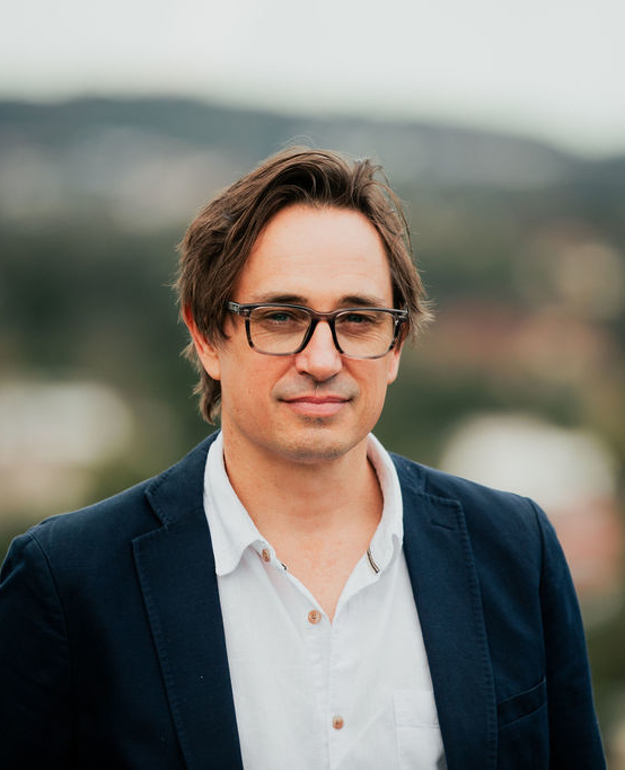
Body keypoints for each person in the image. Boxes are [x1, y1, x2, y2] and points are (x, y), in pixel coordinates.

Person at [0, 148, 605, 769]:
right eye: (282, 317)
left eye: (359, 318)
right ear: (206, 336)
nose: (321, 359)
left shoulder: (514, 549)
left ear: (396, 343)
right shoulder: (68, 582)